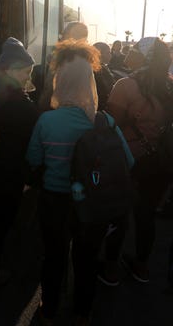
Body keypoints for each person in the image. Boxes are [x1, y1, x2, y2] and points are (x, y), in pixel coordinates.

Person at [26, 39, 133, 326]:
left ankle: (48, 312)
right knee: (86, 260)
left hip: (53, 201)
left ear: (60, 81)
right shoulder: (104, 122)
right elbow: (128, 163)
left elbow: (33, 161)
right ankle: (82, 314)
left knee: (53, 257)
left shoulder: (46, 122)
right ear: (90, 82)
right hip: (93, 204)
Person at [103, 37, 173, 284]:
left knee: (117, 213)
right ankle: (141, 267)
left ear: (144, 57)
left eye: (133, 50)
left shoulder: (125, 85)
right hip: (159, 163)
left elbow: (111, 125)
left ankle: (110, 269)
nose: (129, 54)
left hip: (126, 160)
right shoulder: (169, 87)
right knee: (146, 216)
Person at [0, 37, 39, 289]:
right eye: (26, 71)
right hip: (7, 174)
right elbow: (31, 144)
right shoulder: (20, 105)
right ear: (11, 69)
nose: (28, 76)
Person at [36, 21, 88, 112]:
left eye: (63, 34)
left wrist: (40, 110)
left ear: (70, 36)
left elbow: (49, 90)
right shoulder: (89, 60)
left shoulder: (63, 58)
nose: (61, 38)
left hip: (58, 113)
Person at [93, 42, 115, 110]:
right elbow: (106, 90)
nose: (110, 55)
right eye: (108, 53)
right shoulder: (98, 70)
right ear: (99, 54)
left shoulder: (102, 67)